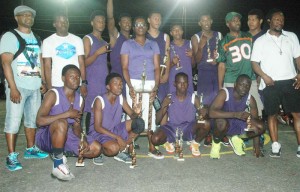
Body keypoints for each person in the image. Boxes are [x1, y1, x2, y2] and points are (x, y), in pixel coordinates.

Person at [0, 5, 48, 172]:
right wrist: (12, 87)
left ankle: (30, 149)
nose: (28, 17)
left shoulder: (37, 37)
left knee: (31, 120)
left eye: (30, 15)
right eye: (24, 15)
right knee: (13, 121)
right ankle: (11, 155)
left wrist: (43, 82)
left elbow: (39, 61)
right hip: (18, 86)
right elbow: (5, 62)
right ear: (16, 18)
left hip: (34, 87)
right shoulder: (10, 36)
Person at [36, 65, 101, 181]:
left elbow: (76, 125)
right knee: (62, 123)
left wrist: (83, 139)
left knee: (96, 148)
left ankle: (62, 153)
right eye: (71, 76)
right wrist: (66, 114)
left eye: (78, 77)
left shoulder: (80, 99)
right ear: (63, 78)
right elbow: (39, 121)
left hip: (66, 135)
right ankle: (57, 163)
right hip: (47, 136)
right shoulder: (53, 94)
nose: (75, 79)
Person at [251, 9, 300, 158]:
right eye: (277, 19)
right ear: (269, 21)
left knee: (297, 114)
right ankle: (275, 145)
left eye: (282, 20)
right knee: (272, 115)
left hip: (290, 81)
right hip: (270, 82)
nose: (280, 22)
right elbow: (254, 63)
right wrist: (264, 77)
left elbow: (298, 58)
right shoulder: (260, 40)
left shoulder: (291, 37)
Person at [121, 16, 161, 158]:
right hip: (133, 82)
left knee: (150, 115)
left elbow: (157, 68)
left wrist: (156, 86)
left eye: (143, 24)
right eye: (137, 24)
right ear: (134, 27)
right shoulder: (127, 44)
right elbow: (124, 67)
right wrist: (130, 86)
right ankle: (128, 146)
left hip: (150, 81)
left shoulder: (153, 44)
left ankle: (151, 146)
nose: (140, 26)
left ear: (146, 27)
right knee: (133, 114)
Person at [88, 73, 145, 163]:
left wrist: (136, 113)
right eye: (115, 83)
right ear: (108, 87)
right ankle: (98, 151)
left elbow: (132, 115)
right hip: (99, 133)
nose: (119, 86)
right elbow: (97, 128)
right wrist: (118, 137)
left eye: (121, 84)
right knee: (113, 148)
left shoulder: (121, 98)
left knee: (139, 123)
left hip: (114, 130)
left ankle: (122, 149)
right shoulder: (100, 100)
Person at [217, 12, 263, 119]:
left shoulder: (249, 36)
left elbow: (256, 58)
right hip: (231, 80)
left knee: (256, 111)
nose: (237, 22)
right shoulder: (223, 42)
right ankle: (233, 134)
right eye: (234, 20)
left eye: (238, 20)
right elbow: (221, 66)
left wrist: (259, 75)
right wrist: (220, 86)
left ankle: (256, 133)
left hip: (250, 79)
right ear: (228, 24)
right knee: (231, 112)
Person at [151, 72, 210, 157]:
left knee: (206, 124)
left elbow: (203, 115)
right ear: (175, 84)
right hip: (172, 128)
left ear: (188, 83)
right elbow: (157, 121)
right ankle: (168, 141)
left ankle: (195, 143)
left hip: (188, 127)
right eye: (180, 83)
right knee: (155, 139)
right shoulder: (169, 98)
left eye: (185, 82)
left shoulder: (193, 97)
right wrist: (164, 104)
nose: (182, 85)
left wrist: (204, 112)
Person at [191, 13, 228, 147]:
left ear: (211, 21)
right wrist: (201, 46)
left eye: (208, 19)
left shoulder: (219, 35)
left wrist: (217, 60)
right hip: (204, 73)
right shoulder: (195, 37)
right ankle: (206, 133)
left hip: (217, 71)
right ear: (199, 23)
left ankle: (218, 132)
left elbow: (223, 54)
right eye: (203, 20)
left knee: (219, 103)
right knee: (205, 104)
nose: (206, 22)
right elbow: (195, 61)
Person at [209, 74, 265, 159]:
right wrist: (235, 114)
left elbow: (255, 120)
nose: (244, 88)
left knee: (261, 126)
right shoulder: (225, 93)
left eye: (247, 86)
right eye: (241, 84)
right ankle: (216, 143)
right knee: (221, 122)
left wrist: (256, 146)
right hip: (221, 124)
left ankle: (237, 138)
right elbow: (211, 113)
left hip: (236, 124)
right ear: (235, 84)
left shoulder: (250, 99)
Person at [43, 12, 87, 97]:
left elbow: (81, 62)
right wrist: (49, 87)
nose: (64, 23)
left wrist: (83, 83)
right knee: (57, 110)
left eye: (66, 21)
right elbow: (47, 66)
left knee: (76, 109)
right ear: (54, 24)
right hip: (57, 84)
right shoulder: (48, 41)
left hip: (76, 84)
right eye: (60, 21)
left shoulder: (77, 40)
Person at [83, 10, 110, 128]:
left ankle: (100, 139)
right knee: (90, 111)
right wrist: (97, 53)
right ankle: (88, 139)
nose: (101, 23)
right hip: (92, 81)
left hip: (103, 82)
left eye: (103, 21)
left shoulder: (104, 42)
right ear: (92, 23)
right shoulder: (88, 38)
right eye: (98, 21)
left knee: (102, 110)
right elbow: (83, 62)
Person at [107, 0, 132, 97]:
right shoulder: (116, 36)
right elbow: (110, 18)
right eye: (124, 21)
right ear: (119, 24)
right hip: (117, 80)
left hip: (131, 79)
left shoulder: (134, 40)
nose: (127, 23)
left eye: (129, 21)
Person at [146, 11, 170, 102]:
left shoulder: (165, 36)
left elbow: (167, 56)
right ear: (149, 20)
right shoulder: (143, 35)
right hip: (148, 75)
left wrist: (166, 74)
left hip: (161, 76)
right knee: (147, 103)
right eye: (155, 18)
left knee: (162, 104)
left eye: (159, 19)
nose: (158, 21)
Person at [169, 24, 194, 94]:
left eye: (179, 29)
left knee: (189, 101)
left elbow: (194, 65)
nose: (177, 31)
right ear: (171, 33)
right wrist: (172, 63)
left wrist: (193, 56)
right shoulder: (168, 46)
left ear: (182, 31)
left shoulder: (190, 44)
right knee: (173, 102)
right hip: (173, 80)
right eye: (174, 30)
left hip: (187, 80)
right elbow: (165, 68)